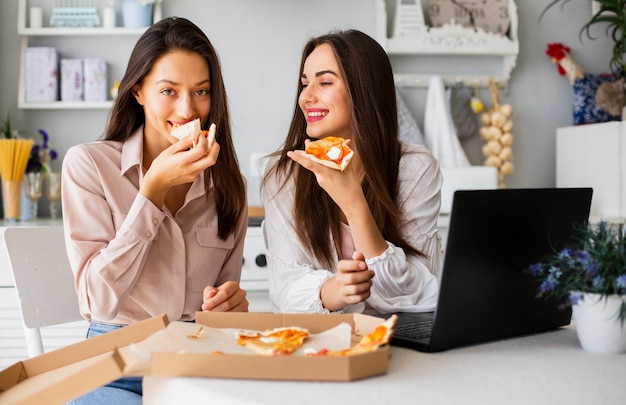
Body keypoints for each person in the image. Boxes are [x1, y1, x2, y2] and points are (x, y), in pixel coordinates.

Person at [61, 17, 248, 404]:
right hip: (115, 366)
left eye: (201, 91)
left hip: (199, 362)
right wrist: (152, 192)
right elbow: (97, 301)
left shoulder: (230, 186)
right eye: (168, 90)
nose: (187, 109)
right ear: (138, 91)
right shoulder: (89, 165)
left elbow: (225, 301)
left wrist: (232, 305)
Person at [262, 29, 441, 315]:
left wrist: (354, 203)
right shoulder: (284, 176)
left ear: (363, 91)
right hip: (322, 344)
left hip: (402, 338)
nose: (306, 97)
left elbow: (412, 292)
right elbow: (287, 293)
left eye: (324, 82)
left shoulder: (414, 168)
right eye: (305, 83)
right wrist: (338, 290)